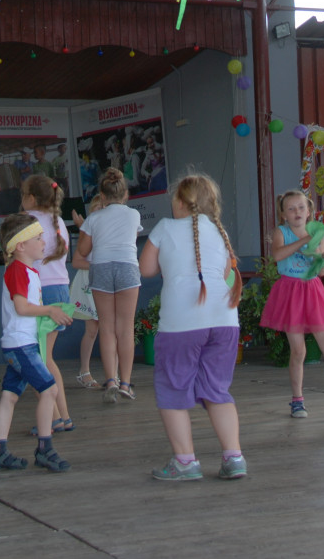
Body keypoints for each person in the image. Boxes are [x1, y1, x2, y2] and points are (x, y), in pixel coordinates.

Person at [139, 173, 247, 481]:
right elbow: (225, 269)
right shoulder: (219, 231)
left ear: (181, 202)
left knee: (173, 390)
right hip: (225, 320)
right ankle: (234, 457)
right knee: (217, 390)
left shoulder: (164, 227)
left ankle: (185, 462)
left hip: (181, 323)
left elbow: (146, 269)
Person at [259, 190, 324, 421]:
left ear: (309, 211)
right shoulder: (281, 232)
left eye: (301, 208)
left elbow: (322, 271)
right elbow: (277, 255)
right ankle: (297, 400)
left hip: (312, 290)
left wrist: (322, 257)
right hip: (290, 291)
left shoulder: (318, 233)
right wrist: (306, 240)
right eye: (291, 209)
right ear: (283, 214)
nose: (297, 212)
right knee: (298, 350)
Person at [0, 213, 74, 472]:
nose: (43, 242)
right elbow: (22, 307)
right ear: (19, 246)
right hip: (21, 346)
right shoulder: (18, 270)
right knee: (49, 391)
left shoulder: (27, 271)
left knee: (9, 396)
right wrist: (49, 311)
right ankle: (45, 449)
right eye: (37, 238)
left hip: (20, 343)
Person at [77, 167, 142, 404]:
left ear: (102, 197)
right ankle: (126, 383)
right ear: (125, 196)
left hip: (101, 268)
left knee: (106, 327)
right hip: (127, 268)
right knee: (125, 328)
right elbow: (130, 240)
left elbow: (83, 251)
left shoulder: (94, 217)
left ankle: (111, 381)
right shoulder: (134, 215)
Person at [21, 175, 75, 433]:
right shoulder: (58, 223)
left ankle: (53, 418)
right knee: (47, 358)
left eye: (22, 195)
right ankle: (63, 416)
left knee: (35, 361)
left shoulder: (28, 221)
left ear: (31, 199)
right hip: (61, 291)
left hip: (40, 294)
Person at [70, 193, 109, 388]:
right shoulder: (88, 237)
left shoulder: (111, 236)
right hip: (89, 284)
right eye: (95, 210)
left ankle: (114, 376)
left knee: (109, 329)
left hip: (105, 283)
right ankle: (84, 371)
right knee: (92, 329)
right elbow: (77, 261)